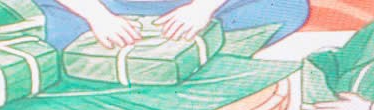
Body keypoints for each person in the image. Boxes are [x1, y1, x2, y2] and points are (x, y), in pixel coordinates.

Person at [34, 0, 308, 50]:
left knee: (289, 6)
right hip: (108, 7)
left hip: (195, 8)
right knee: (58, 29)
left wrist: (202, 8)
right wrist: (98, 16)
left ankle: (203, 43)